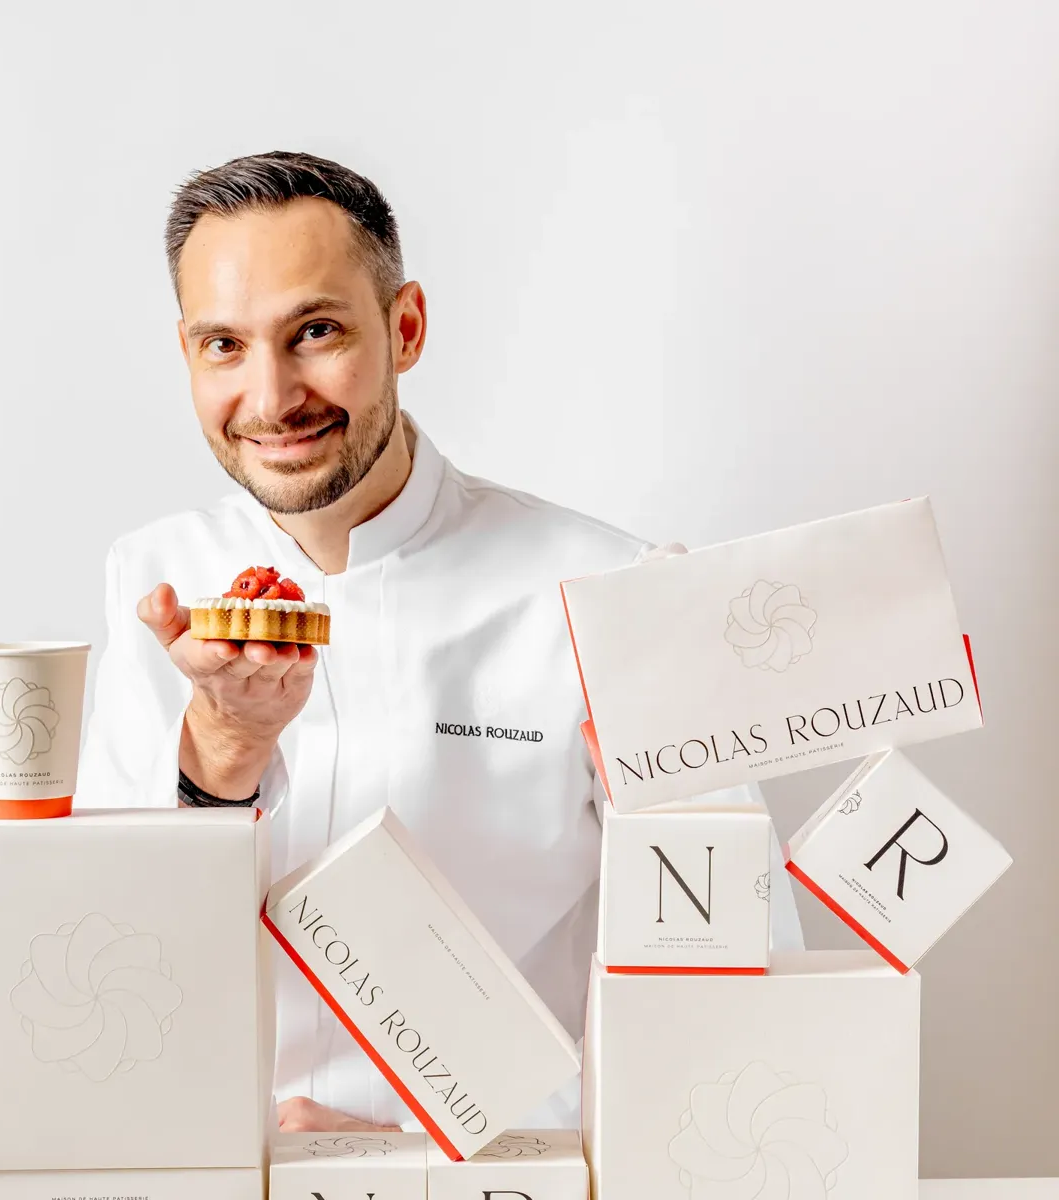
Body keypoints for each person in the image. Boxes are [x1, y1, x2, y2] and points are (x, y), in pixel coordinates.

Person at [77, 150, 804, 1136]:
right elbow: (103, 964)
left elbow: (741, 989)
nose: (272, 394)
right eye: (224, 346)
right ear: (187, 355)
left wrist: (452, 1155)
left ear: (404, 327)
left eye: (317, 331)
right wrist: (221, 759)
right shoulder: (150, 581)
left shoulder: (614, 596)